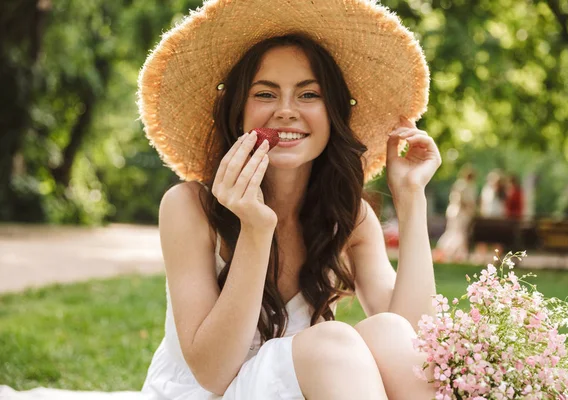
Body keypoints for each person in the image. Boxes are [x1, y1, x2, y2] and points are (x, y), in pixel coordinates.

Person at [0, 1, 442, 399]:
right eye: (265, 93)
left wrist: (412, 199)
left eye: (309, 94)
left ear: (333, 115)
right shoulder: (187, 206)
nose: (286, 110)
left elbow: (414, 339)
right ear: (238, 111)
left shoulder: (348, 217)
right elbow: (212, 373)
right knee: (335, 341)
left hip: (308, 387)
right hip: (206, 394)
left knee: (385, 331)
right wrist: (255, 228)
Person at [433, 165, 477, 263]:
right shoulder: (462, 185)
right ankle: (447, 251)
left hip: (459, 213)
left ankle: (456, 253)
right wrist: (470, 208)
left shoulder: (464, 185)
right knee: (457, 232)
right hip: (459, 213)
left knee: (459, 232)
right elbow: (462, 200)